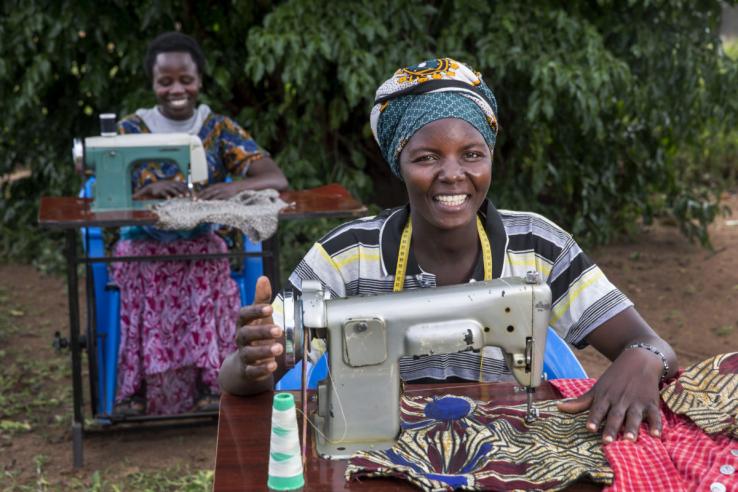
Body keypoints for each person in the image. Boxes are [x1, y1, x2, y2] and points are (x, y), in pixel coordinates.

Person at [219, 58, 677, 444]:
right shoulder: (345, 256)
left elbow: (654, 346)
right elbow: (241, 377)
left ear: (491, 158)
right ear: (399, 163)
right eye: (427, 157)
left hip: (504, 447)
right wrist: (252, 361)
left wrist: (643, 357)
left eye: (472, 154)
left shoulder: (539, 246)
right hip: (378, 453)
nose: (453, 173)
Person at [110, 31, 288, 416]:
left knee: (210, 254)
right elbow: (106, 197)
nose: (177, 89)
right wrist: (150, 188)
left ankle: (211, 385)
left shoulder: (219, 129)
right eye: (165, 81)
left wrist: (231, 187)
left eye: (186, 79)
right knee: (141, 263)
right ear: (152, 83)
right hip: (143, 243)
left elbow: (274, 177)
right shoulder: (129, 131)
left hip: (201, 243)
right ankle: (135, 391)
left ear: (200, 81)